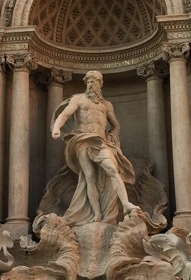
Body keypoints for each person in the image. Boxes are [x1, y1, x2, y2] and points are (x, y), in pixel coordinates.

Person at [51, 70, 138, 225]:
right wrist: (57, 128)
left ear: (100, 84)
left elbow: (116, 125)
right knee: (89, 177)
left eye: (95, 81)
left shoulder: (106, 105)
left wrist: (113, 135)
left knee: (112, 169)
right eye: (89, 81)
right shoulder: (79, 99)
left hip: (101, 141)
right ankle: (96, 214)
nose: (91, 84)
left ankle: (125, 204)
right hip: (82, 139)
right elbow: (64, 115)